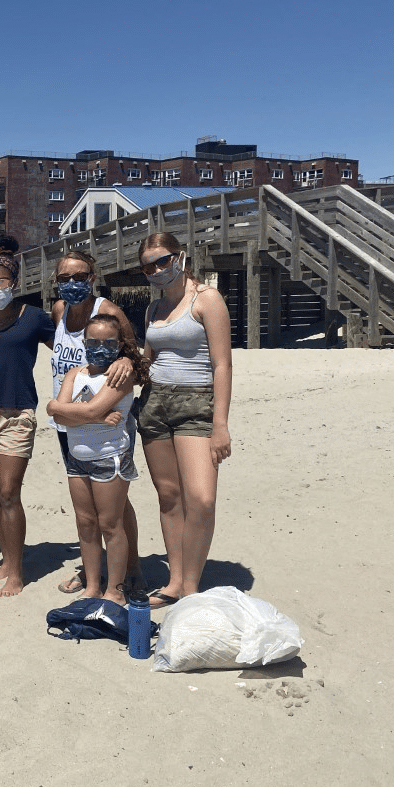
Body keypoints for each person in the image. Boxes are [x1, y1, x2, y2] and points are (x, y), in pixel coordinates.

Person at [136, 233, 232, 608]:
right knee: (169, 496)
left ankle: (191, 586)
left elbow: (222, 363)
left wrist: (220, 423)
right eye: (149, 266)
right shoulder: (153, 309)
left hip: (197, 404)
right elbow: (148, 360)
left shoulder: (206, 299)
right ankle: (175, 581)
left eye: (164, 261)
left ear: (180, 256)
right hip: (155, 404)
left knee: (202, 499)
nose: (158, 270)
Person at [48, 249, 144, 594]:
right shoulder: (59, 310)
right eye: (64, 278)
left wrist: (123, 364)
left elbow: (134, 355)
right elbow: (62, 355)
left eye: (79, 276)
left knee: (115, 504)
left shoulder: (109, 312)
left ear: (93, 276)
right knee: (89, 506)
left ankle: (129, 569)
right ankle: (94, 574)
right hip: (68, 422)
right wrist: (65, 407)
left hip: (109, 421)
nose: (72, 284)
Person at [0, 235, 55, 597]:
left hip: (18, 412)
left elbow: (64, 347)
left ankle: (17, 571)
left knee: (8, 492)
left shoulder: (33, 317)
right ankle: (6, 558)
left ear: (14, 284)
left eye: (2, 282)